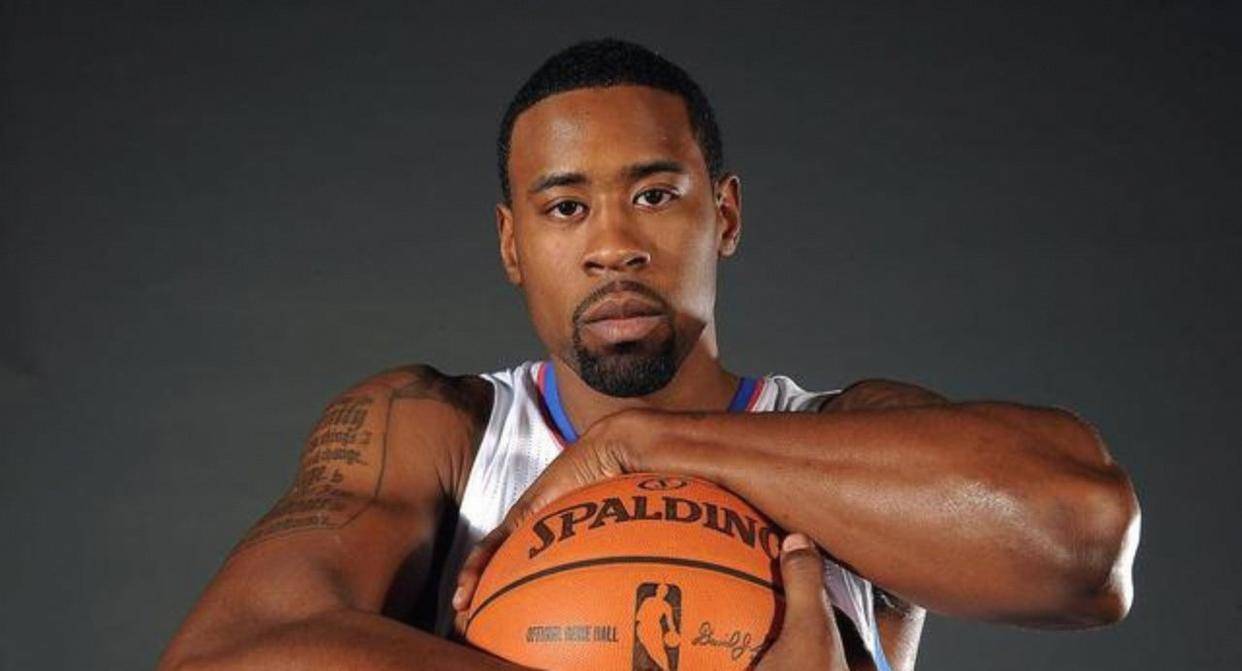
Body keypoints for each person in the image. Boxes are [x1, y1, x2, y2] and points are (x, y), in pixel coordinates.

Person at [158, 38, 1140, 671]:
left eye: (656, 195)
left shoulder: (844, 437)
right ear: (512, 244)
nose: (613, 243)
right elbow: (231, 650)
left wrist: (648, 443)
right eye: (565, 206)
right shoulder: (441, 433)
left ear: (726, 215)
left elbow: (1083, 544)